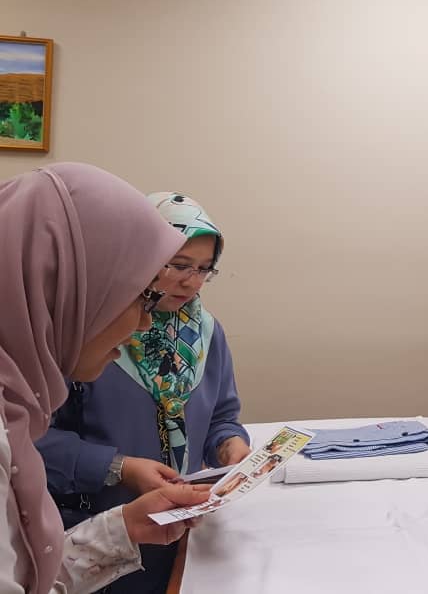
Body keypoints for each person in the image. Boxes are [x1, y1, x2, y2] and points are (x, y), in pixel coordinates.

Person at [0, 163, 213, 594]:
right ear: (66, 290)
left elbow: (27, 576)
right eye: (141, 297)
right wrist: (118, 470)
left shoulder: (16, 407)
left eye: (204, 268)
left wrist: (126, 527)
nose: (143, 323)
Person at [37, 191, 251, 594]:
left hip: (181, 531)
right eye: (179, 265)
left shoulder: (207, 333)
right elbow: (31, 440)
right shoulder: (88, 332)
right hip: (91, 538)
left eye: (204, 269)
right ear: (141, 257)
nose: (191, 280)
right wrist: (120, 467)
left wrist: (231, 448)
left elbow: (222, 416)